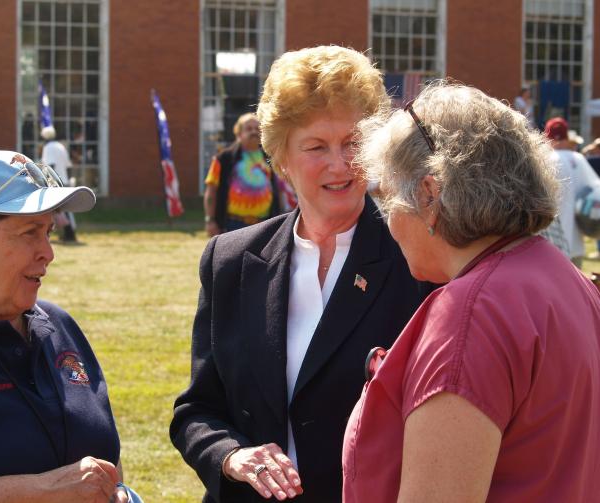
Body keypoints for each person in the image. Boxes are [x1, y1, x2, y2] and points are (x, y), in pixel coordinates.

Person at [170, 46, 432, 502]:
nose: (339, 163)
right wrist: (232, 457)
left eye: (353, 142)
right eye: (316, 147)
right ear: (280, 157)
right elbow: (197, 410)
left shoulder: (417, 257)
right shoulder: (230, 260)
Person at [343, 83, 600, 502]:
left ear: (429, 196)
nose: (387, 223)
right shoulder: (562, 276)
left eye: (387, 200)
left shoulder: (471, 314)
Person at [0, 150, 131, 502]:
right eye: (29, 233)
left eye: (49, 232)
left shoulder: (58, 324)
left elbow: (106, 455)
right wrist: (44, 491)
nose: (48, 252)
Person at [203, 113, 281, 236]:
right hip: (233, 225)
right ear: (239, 134)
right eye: (249, 129)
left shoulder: (270, 159)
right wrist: (210, 220)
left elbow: (278, 191)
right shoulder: (224, 159)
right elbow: (211, 191)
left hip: (265, 225)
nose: (254, 132)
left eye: (257, 129)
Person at [544, 117, 600, 267]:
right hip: (576, 243)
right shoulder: (578, 159)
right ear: (567, 137)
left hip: (549, 244)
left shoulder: (543, 160)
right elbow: (596, 193)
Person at [41, 125, 78, 243]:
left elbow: (50, 166)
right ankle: (69, 233)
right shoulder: (61, 146)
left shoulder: (48, 148)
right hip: (65, 180)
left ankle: (69, 233)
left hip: (55, 182)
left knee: (59, 211)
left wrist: (47, 182)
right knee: (66, 210)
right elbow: (68, 166)